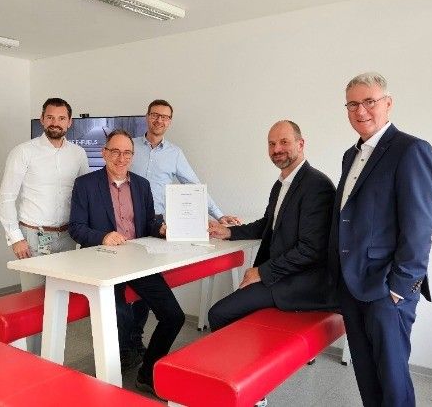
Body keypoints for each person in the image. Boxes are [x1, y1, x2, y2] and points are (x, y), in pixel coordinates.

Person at [329, 72, 432, 407]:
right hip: (352, 284)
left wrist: (400, 288)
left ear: (388, 104)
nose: (360, 110)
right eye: (352, 104)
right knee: (366, 374)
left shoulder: (411, 150)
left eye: (369, 101)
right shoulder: (351, 155)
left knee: (392, 382)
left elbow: (419, 227)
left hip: (387, 290)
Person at [69, 129, 185, 397]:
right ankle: (113, 375)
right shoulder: (85, 185)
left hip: (138, 260)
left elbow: (148, 223)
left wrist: (163, 228)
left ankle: (146, 374)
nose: (121, 158)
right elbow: (76, 227)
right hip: (103, 262)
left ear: (133, 156)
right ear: (105, 153)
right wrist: (103, 235)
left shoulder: (142, 185)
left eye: (127, 153)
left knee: (174, 316)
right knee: (120, 317)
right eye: (115, 151)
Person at [126, 99, 242, 362]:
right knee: (124, 287)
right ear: (147, 117)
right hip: (128, 224)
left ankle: (135, 340)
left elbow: (195, 186)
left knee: (146, 284)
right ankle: (123, 343)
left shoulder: (175, 154)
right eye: (155, 115)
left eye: (165, 117)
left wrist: (219, 214)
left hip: (158, 227)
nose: (159, 121)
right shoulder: (130, 147)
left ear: (170, 121)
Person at [207, 120, 336, 331]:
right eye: (271, 144)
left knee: (218, 313)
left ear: (300, 144)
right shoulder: (281, 184)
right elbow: (269, 224)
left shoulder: (317, 186)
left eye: (284, 142)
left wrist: (262, 272)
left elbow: (311, 250)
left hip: (302, 282)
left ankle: (233, 363)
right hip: (282, 274)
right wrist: (229, 231)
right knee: (231, 309)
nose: (277, 149)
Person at [0, 98, 89, 350]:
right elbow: (5, 198)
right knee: (32, 303)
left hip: (68, 238)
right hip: (34, 237)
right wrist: (15, 238)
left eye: (61, 118)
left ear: (70, 122)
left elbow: (85, 195)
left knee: (61, 302)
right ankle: (31, 359)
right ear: (42, 120)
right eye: (50, 117)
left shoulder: (78, 154)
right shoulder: (23, 152)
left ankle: (52, 357)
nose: (55, 123)